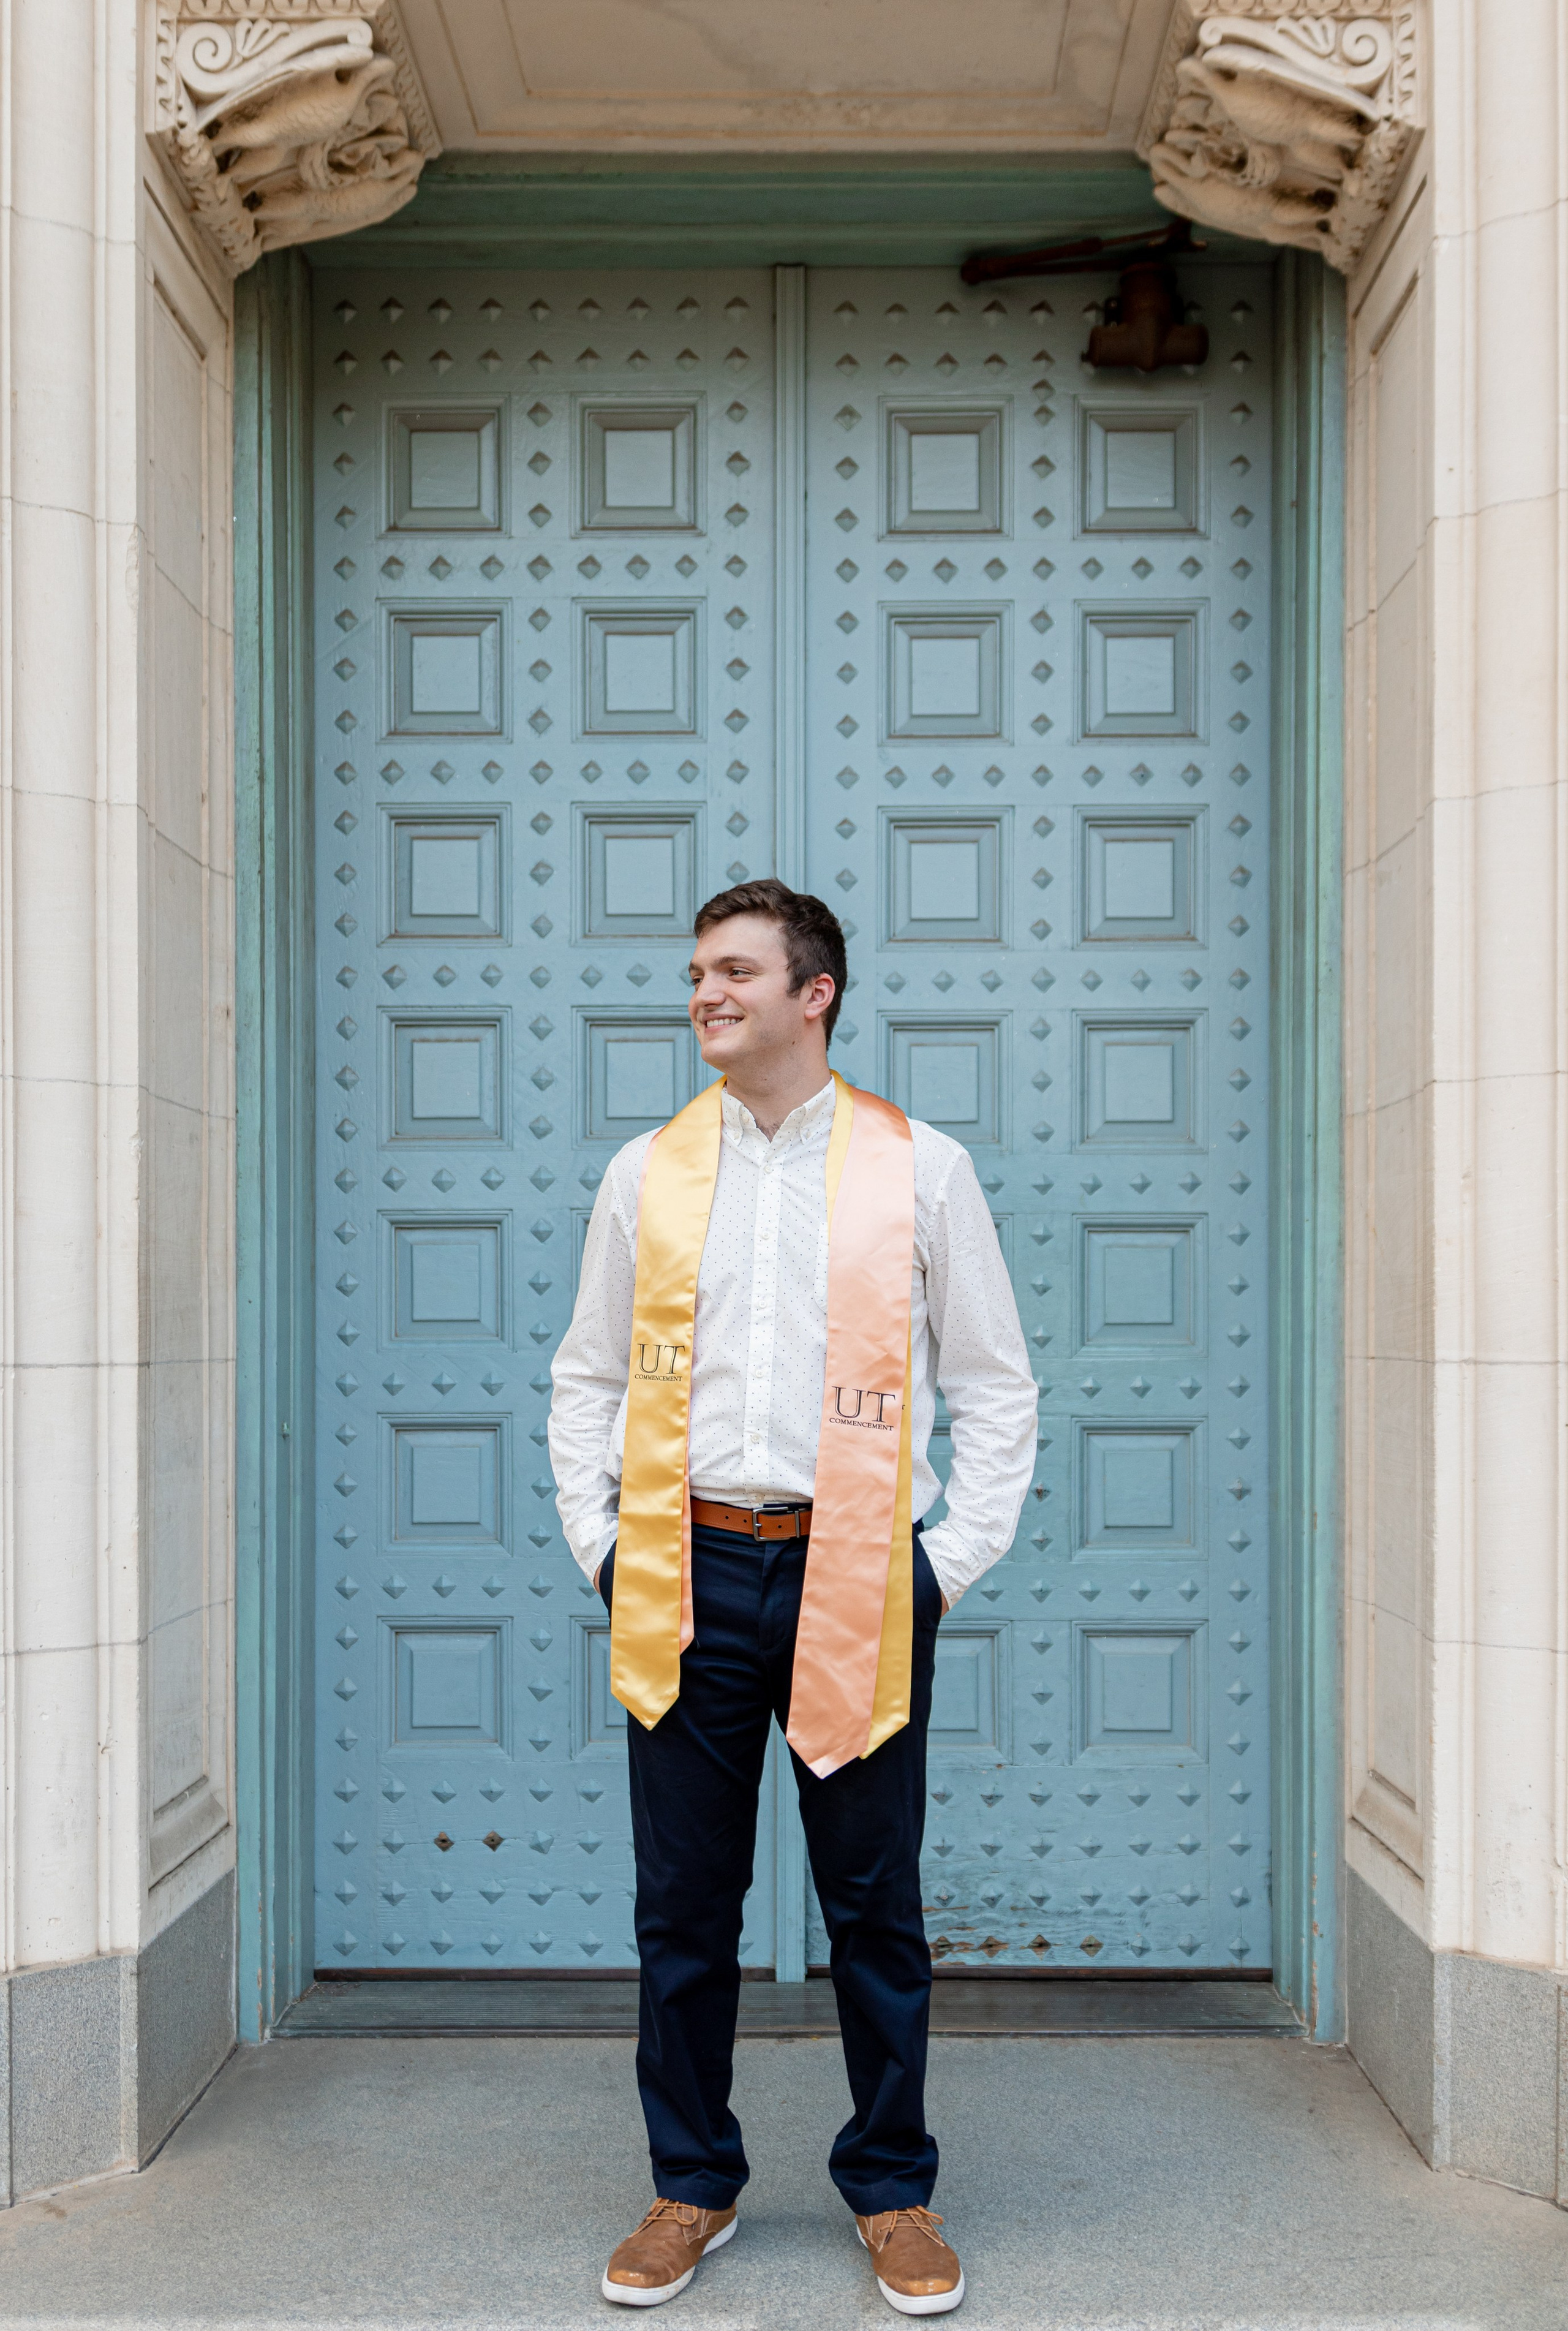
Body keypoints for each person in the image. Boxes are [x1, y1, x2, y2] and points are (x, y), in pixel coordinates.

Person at [549, 879, 1036, 2314]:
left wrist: (943, 1564)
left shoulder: (918, 1168)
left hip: (858, 1573)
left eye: (733, 971)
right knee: (682, 1908)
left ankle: (892, 2187)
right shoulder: (649, 1171)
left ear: (811, 992)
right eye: (697, 970)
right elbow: (583, 1376)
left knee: (874, 1904)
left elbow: (996, 1387)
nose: (704, 992)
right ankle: (689, 2182)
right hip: (686, 1571)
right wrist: (605, 1545)